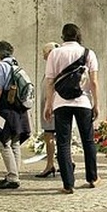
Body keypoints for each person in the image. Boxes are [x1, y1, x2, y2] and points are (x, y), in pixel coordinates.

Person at [44, 23, 100, 194]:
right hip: (82, 101)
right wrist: (96, 103)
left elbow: (50, 81)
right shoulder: (88, 53)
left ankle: (68, 184)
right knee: (88, 141)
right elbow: (94, 82)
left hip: (61, 103)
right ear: (78, 36)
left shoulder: (55, 53)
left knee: (63, 143)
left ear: (63, 36)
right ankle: (92, 178)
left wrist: (48, 103)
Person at [0, 41, 32, 190]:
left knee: (3, 142)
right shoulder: (16, 65)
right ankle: (14, 174)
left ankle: (13, 177)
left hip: (6, 107)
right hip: (19, 108)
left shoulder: (1, 66)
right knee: (14, 142)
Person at [36, 43, 60, 178]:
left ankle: (50, 164)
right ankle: (66, 162)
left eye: (44, 52)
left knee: (50, 135)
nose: (43, 55)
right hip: (52, 106)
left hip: (51, 107)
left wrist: (49, 106)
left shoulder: (54, 68)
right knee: (59, 136)